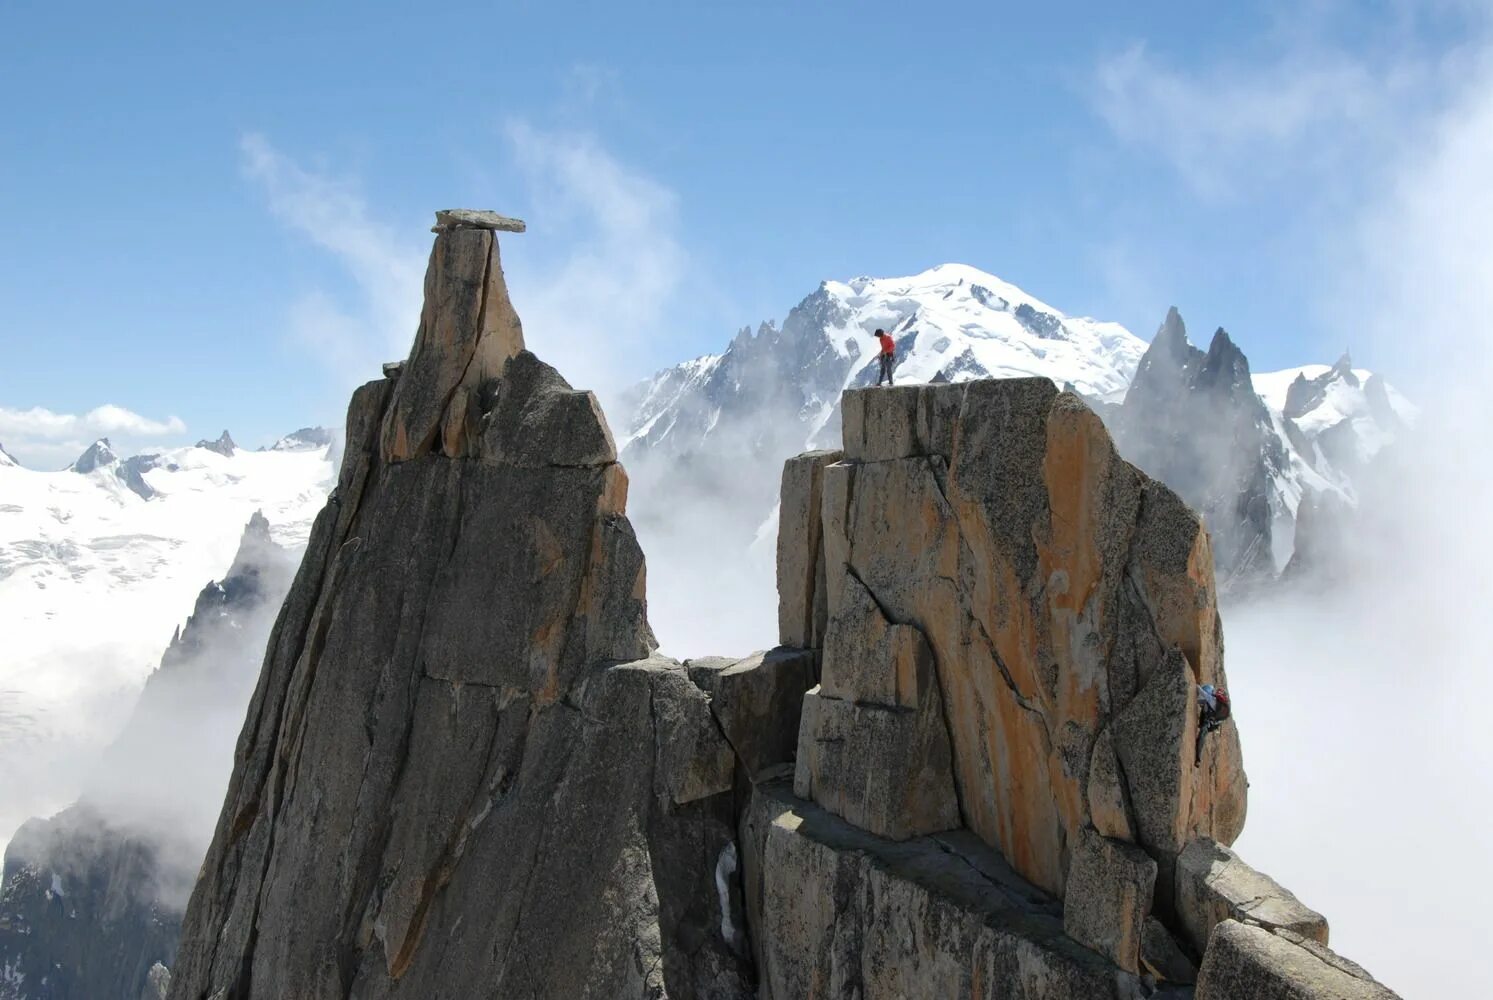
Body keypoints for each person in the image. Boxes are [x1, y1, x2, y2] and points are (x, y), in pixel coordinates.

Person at [1195, 683, 1231, 765]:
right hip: (1214, 725)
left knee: (1202, 734)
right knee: (1204, 730)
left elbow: (1201, 692)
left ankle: (1198, 758)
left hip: (1207, 722)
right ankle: (1198, 758)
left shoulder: (1212, 700)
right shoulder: (1223, 706)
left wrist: (1195, 685)